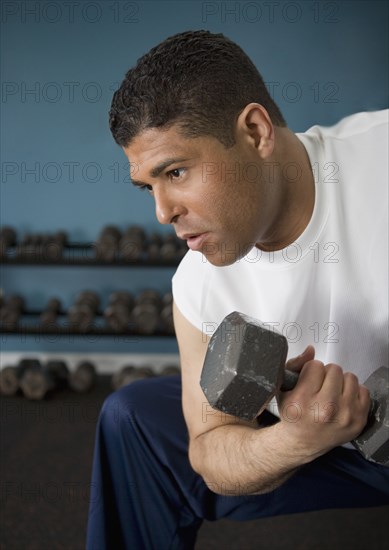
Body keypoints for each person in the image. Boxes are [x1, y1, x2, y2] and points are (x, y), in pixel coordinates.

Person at [86, 30, 389, 549]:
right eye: (149, 187)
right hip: (325, 436)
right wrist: (296, 438)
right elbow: (212, 453)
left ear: (255, 131)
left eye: (176, 171)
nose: (162, 213)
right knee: (131, 418)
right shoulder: (200, 282)